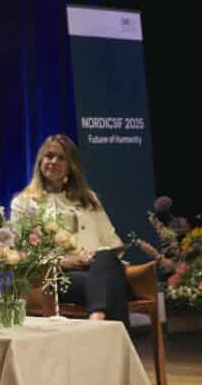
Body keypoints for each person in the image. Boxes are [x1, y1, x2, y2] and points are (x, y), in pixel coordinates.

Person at [11, 134, 130, 327]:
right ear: (40, 161)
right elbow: (23, 254)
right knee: (111, 286)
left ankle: (96, 321)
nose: (53, 162)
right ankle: (101, 328)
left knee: (106, 260)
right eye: (49, 156)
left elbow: (111, 240)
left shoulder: (88, 198)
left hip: (97, 268)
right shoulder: (24, 203)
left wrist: (94, 257)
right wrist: (66, 262)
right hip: (56, 276)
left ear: (71, 166)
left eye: (61, 158)